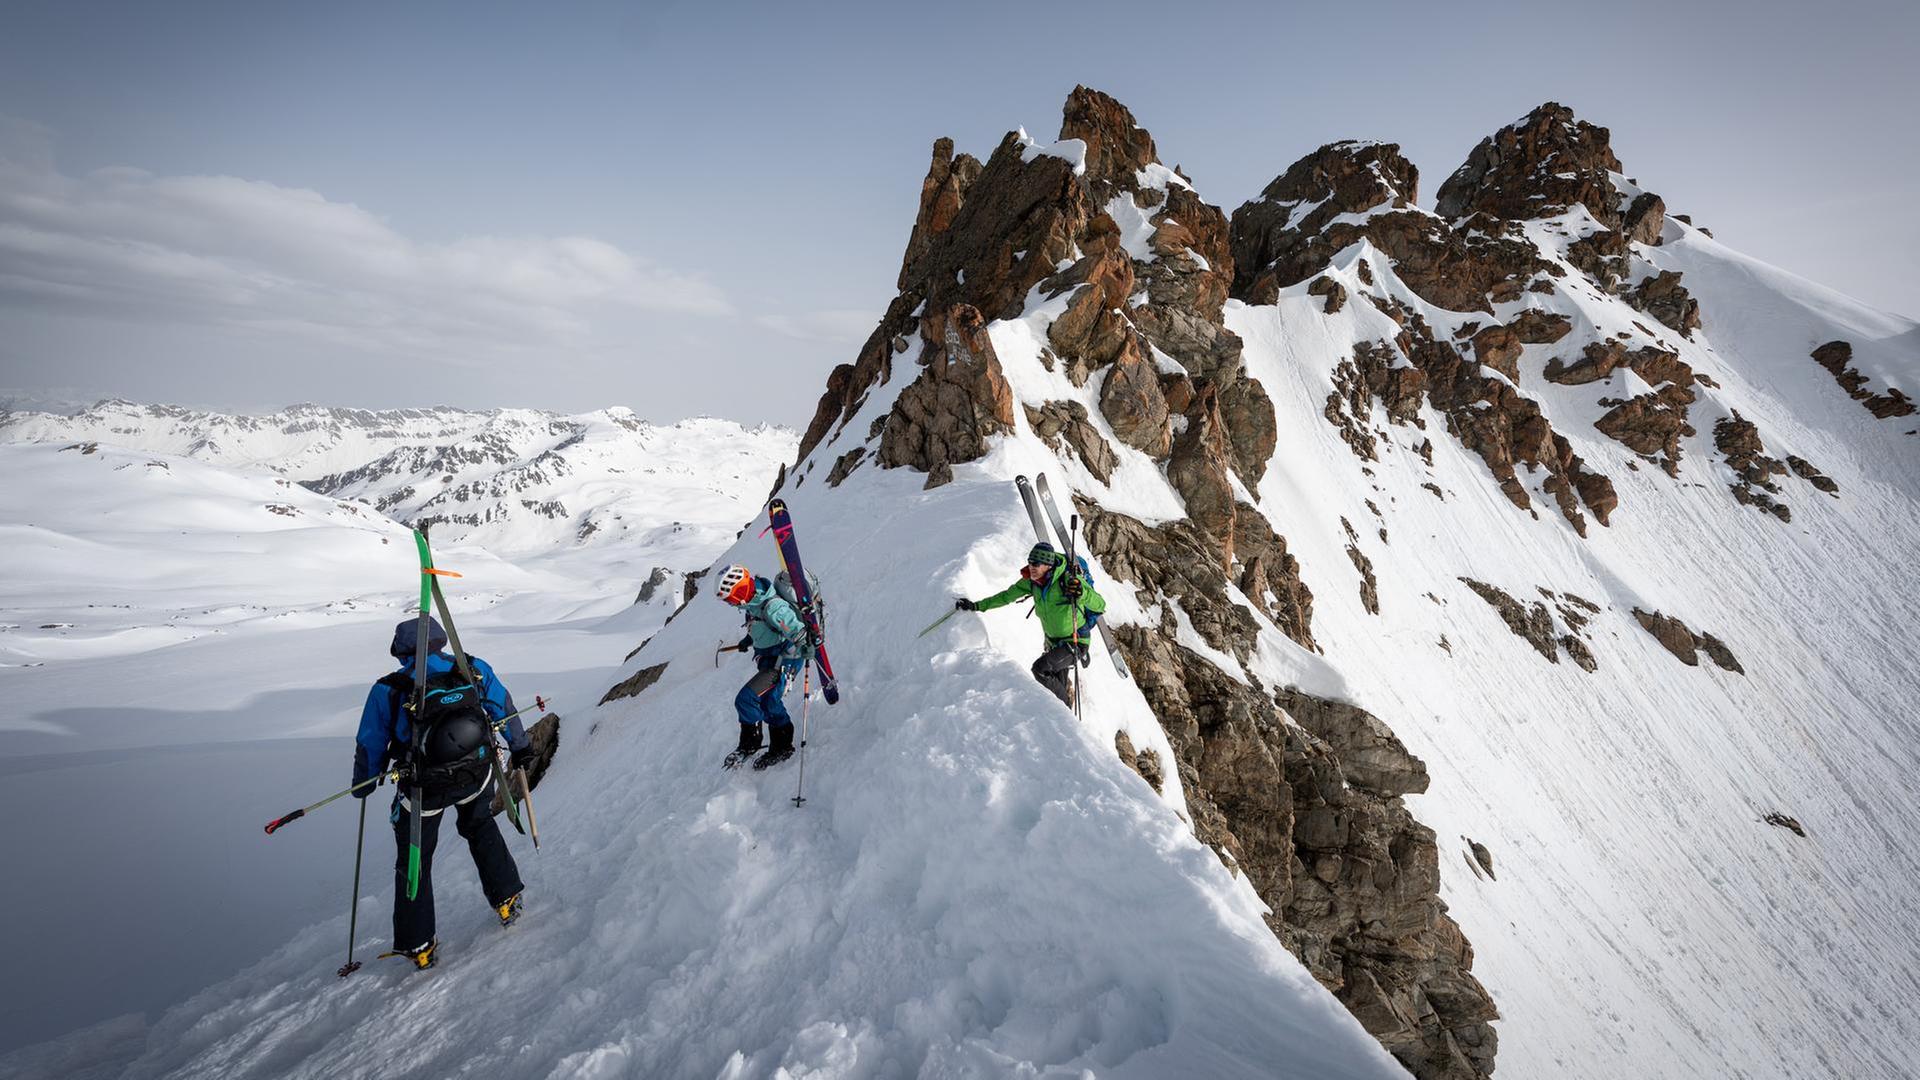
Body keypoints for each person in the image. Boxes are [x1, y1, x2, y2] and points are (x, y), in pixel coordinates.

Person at [352, 616, 533, 970]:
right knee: (482, 829)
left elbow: (370, 742)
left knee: (415, 859)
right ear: (439, 641)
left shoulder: (389, 688)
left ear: (401, 651)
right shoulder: (472, 668)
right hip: (475, 775)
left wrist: (365, 781)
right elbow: (503, 706)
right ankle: (507, 899)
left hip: (423, 788)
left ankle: (419, 943)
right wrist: (521, 745)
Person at [955, 542, 1104, 707]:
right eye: (1030, 561)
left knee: (1040, 669)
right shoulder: (1032, 582)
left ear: (1047, 565)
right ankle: (1063, 710)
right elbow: (1006, 596)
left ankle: (1066, 708)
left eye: (1036, 563)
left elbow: (1100, 604)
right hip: (1053, 644)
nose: (1031, 566)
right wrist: (976, 606)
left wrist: (1081, 594)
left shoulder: (1068, 580)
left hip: (1076, 641)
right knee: (1054, 684)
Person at [716, 564, 812, 768]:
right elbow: (763, 626)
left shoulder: (773, 607)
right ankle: (782, 747)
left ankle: (749, 745)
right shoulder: (754, 600)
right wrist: (749, 640)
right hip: (769, 659)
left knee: (746, 699)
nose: (730, 604)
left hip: (782, 662)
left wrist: (806, 646)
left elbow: (796, 630)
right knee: (769, 702)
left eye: (730, 598)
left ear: (740, 590)